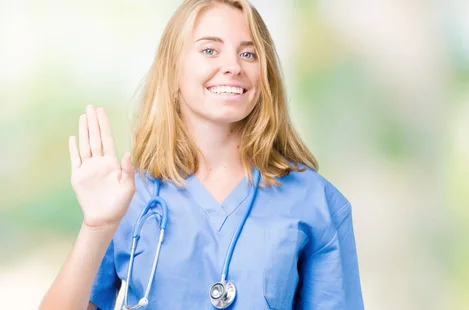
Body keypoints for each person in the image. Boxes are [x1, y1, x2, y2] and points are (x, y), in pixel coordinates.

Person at [40, 0, 363, 309]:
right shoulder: (127, 198)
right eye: (210, 50)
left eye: (249, 54)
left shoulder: (315, 201)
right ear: (173, 70)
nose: (233, 67)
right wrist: (96, 227)